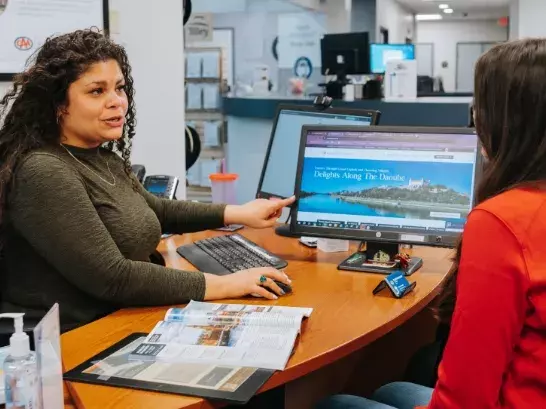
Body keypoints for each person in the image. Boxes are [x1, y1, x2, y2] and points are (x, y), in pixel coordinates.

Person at [0, 29, 294, 333]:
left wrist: (239, 213)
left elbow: (157, 210)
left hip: (118, 319)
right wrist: (226, 283)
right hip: (70, 341)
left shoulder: (101, 157)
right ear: (59, 104)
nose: (117, 102)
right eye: (96, 91)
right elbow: (113, 277)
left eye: (119, 88)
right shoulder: (43, 170)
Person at [317, 38, 546, 409]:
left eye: (479, 109)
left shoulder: (502, 223)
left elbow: (465, 399)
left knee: (333, 403)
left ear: (507, 122)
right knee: (392, 390)